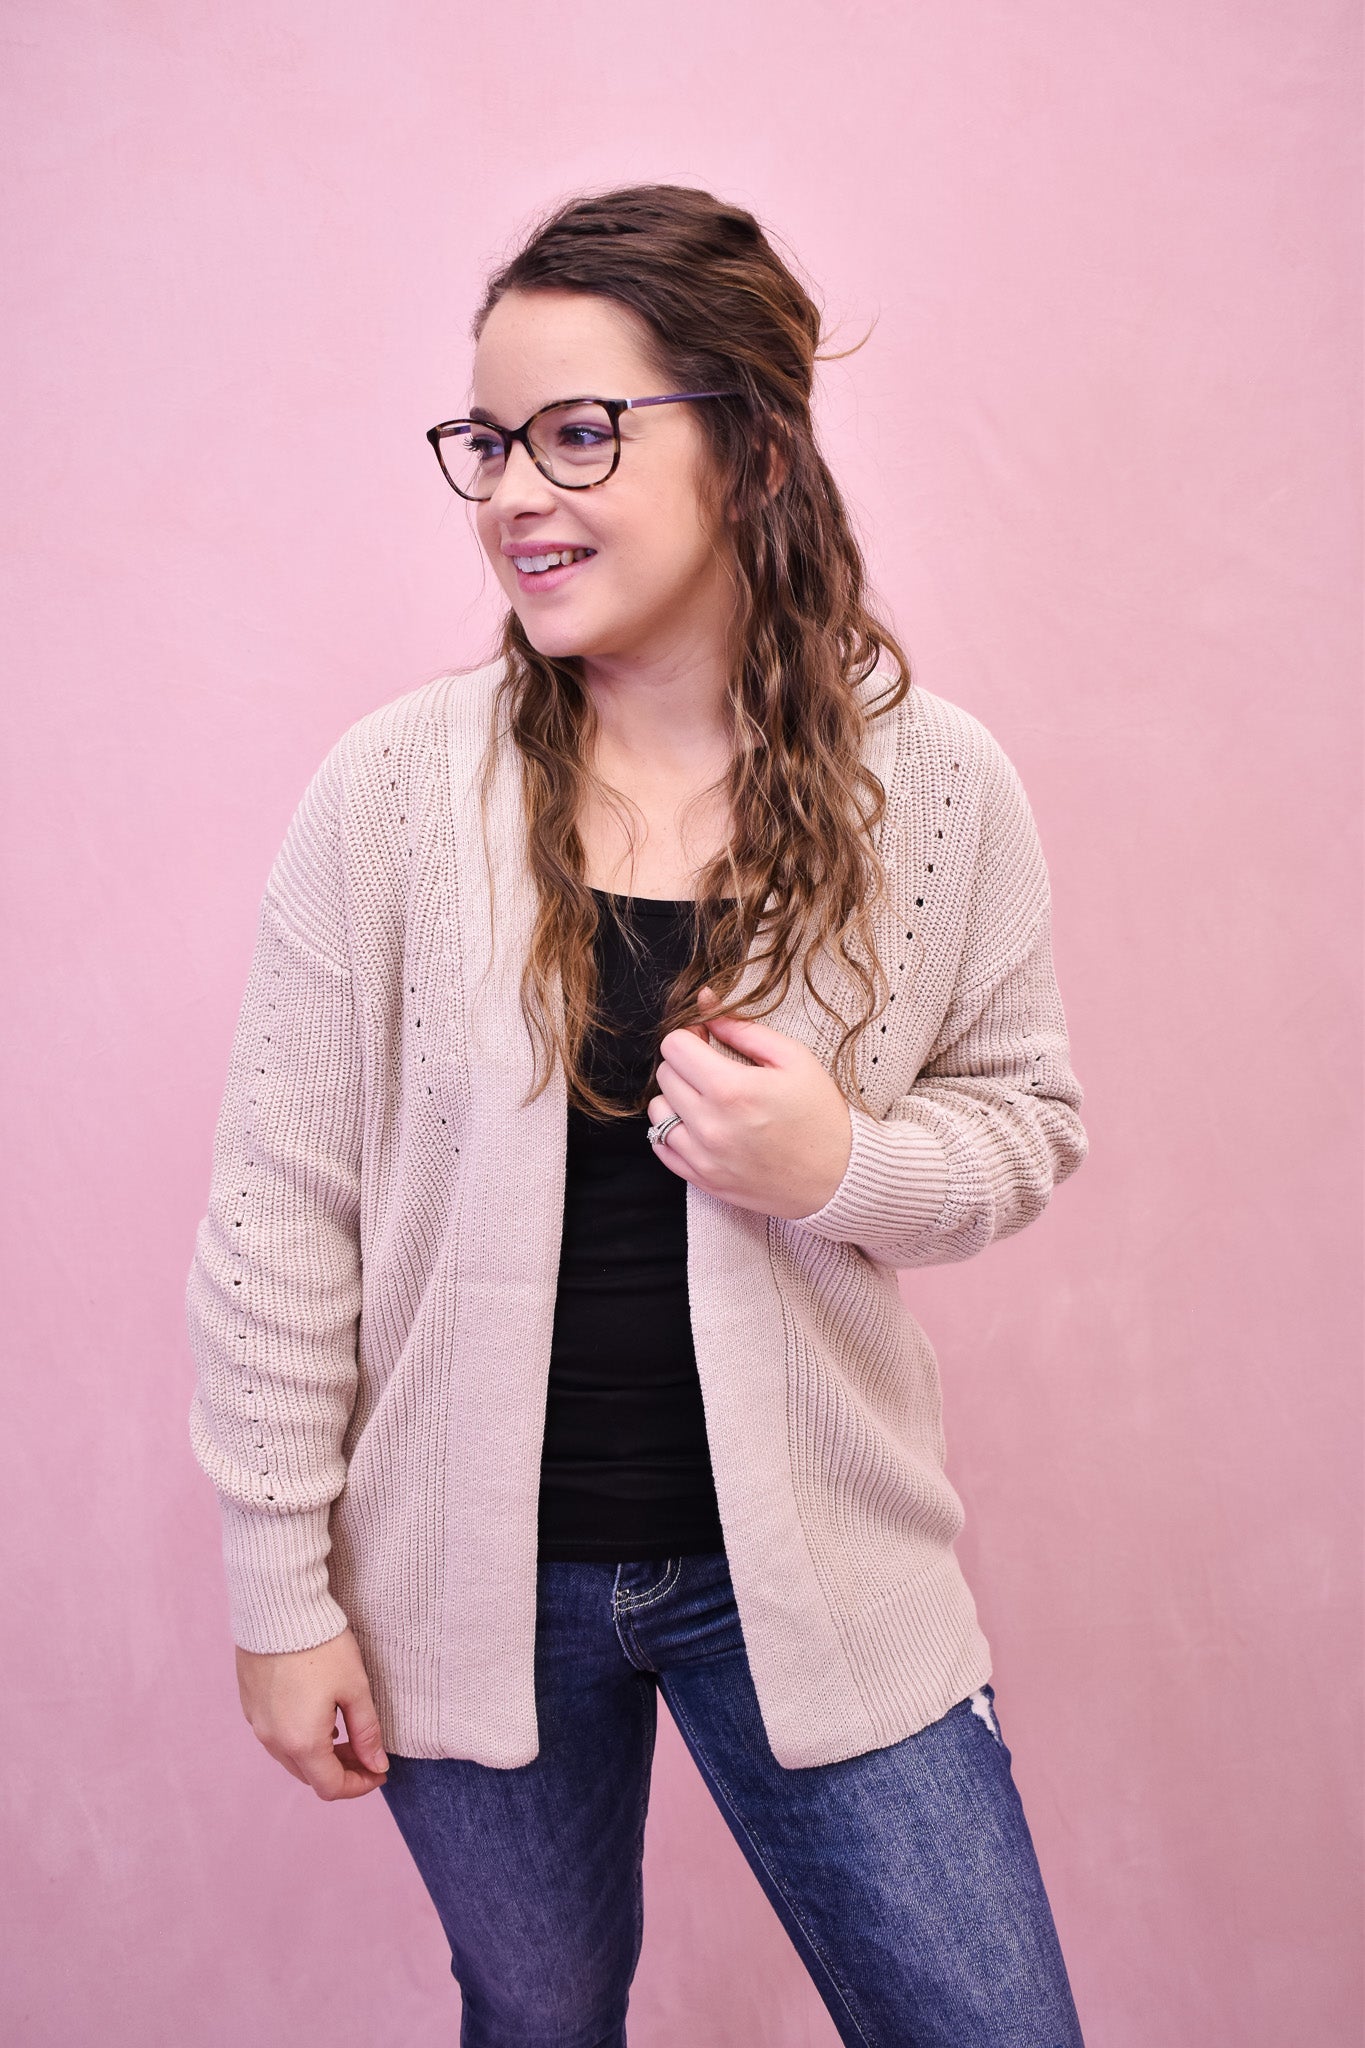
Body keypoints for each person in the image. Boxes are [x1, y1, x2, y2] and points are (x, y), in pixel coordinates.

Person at [186, 183, 1090, 2048]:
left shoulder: (933, 784)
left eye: (579, 431)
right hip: (463, 1585)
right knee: (537, 2018)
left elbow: (1021, 1124)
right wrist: (281, 1592)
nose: (516, 490)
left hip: (817, 1574)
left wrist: (845, 1166)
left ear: (751, 445)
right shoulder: (389, 799)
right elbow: (282, 1212)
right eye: (488, 442)